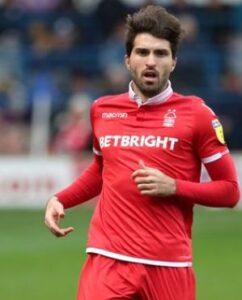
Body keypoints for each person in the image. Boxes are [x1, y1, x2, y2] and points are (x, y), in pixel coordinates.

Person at [44, 5, 240, 300]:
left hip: (168, 263)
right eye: (142, 52)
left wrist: (175, 187)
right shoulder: (102, 109)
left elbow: (230, 192)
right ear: (127, 59)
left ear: (173, 62)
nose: (151, 61)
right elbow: (100, 170)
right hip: (107, 259)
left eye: (161, 54)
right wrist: (61, 199)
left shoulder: (197, 115)